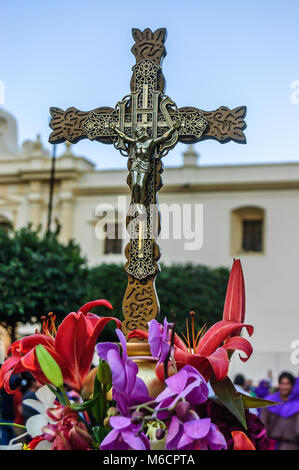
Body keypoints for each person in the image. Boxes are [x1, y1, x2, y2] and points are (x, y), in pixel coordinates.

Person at [261, 371, 299, 450]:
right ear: (279, 384)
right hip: (272, 445)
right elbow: (263, 424)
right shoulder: (269, 401)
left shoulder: (297, 405)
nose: (284, 386)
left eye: (287, 383)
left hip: (292, 445)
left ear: (292, 385)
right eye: (282, 383)